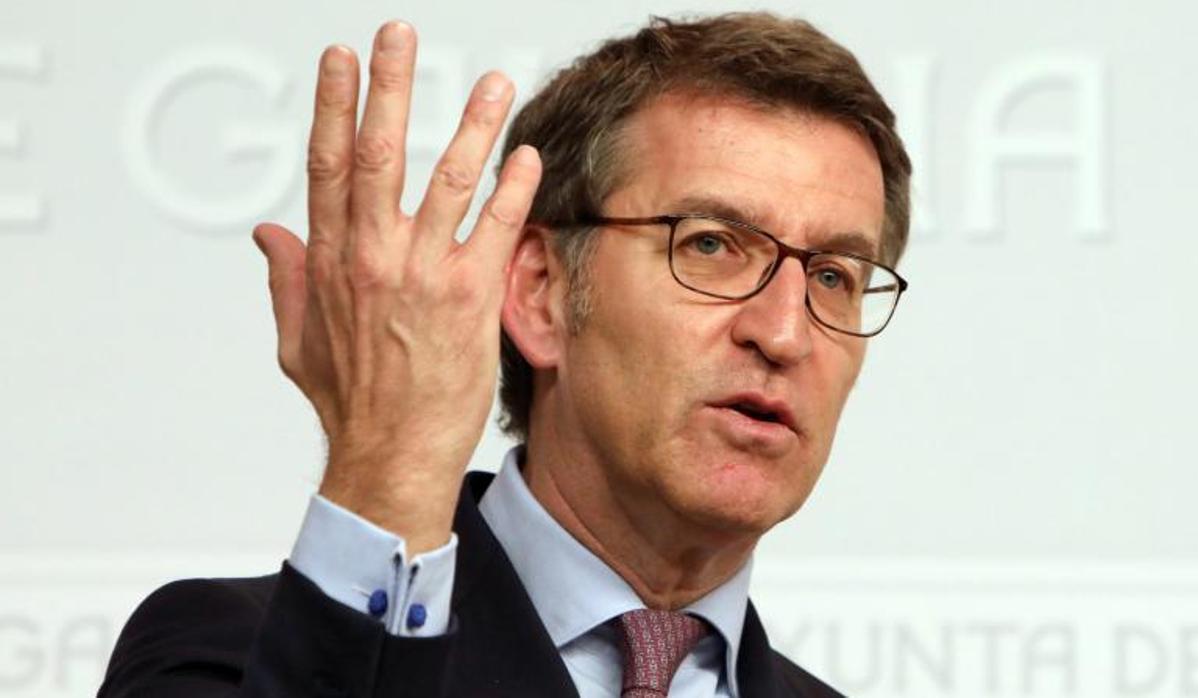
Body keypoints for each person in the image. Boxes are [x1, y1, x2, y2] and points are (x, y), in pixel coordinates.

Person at [99, 11, 910, 698]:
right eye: (710, 244)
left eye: (833, 276)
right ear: (540, 291)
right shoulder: (227, 653)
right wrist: (396, 464)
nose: (784, 332)